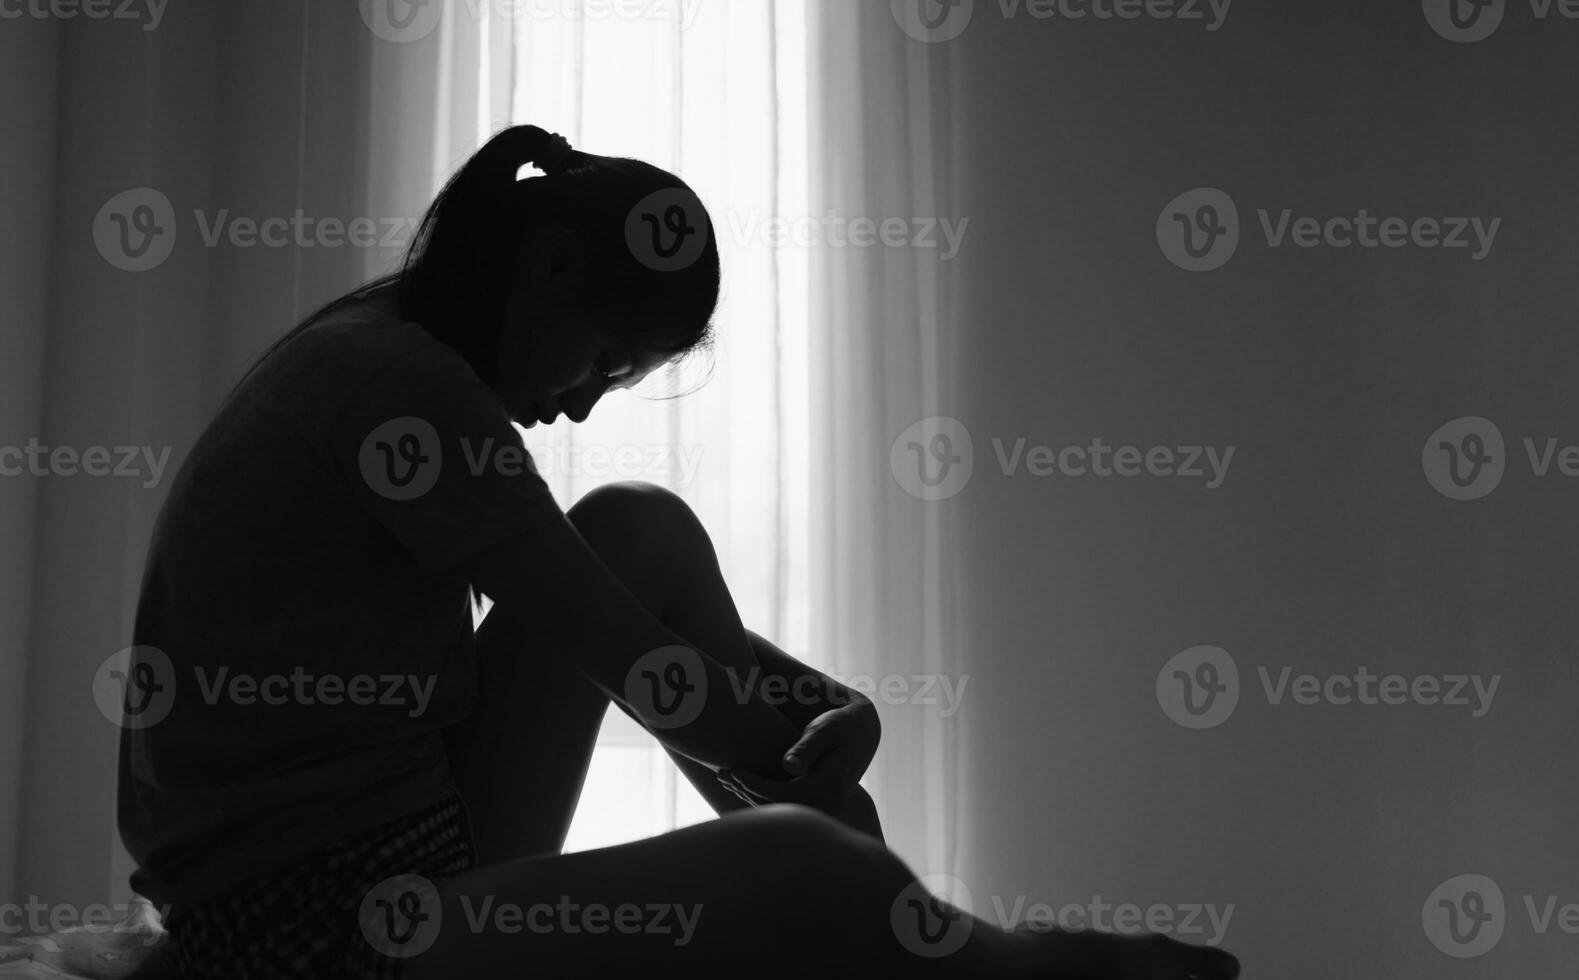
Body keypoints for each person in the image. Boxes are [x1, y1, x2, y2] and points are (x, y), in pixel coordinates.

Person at [116, 125, 1242, 980]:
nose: (581, 405)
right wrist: (805, 750)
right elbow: (644, 666)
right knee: (805, 863)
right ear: (551, 269)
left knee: (635, 520)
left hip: (395, 847)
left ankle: (937, 951)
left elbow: (622, 622)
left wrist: (836, 705)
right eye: (602, 359)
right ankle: (988, 957)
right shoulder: (398, 389)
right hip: (308, 921)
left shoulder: (384, 351)